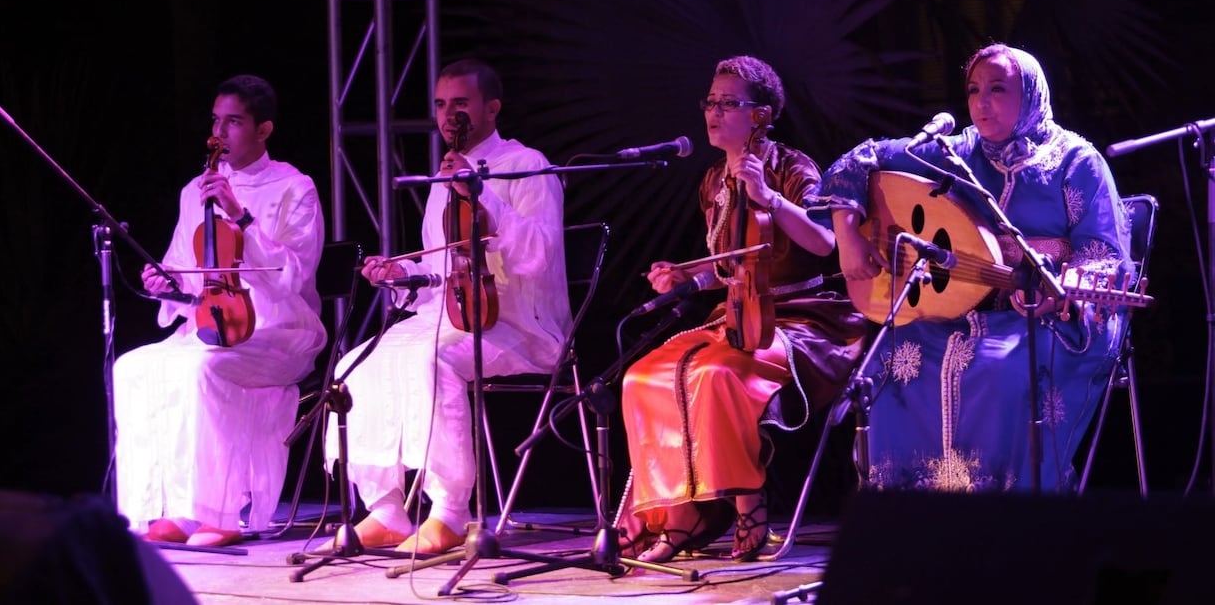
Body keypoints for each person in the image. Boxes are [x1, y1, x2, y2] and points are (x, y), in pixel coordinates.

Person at [813, 43, 1133, 492]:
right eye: (974, 90)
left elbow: (1102, 253)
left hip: (1045, 319)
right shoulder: (952, 149)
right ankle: (910, 523)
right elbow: (859, 160)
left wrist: (1057, 289)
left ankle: (1005, 523)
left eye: (998, 89)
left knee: (1001, 371)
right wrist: (847, 238)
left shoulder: (1077, 162)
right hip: (954, 308)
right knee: (892, 363)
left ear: (1030, 94)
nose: (982, 102)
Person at [616, 55, 869, 564]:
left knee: (714, 372)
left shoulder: (792, 168)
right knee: (641, 378)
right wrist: (690, 275)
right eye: (711, 102)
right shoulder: (711, 180)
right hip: (739, 314)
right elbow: (731, 266)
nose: (713, 111)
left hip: (803, 320)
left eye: (729, 103)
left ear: (762, 114)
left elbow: (824, 244)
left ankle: (747, 503)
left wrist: (770, 197)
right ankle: (682, 517)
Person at [321, 58, 570, 555]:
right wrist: (402, 276)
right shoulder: (442, 181)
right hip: (452, 315)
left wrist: (483, 201)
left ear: (492, 108)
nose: (448, 113)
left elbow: (541, 255)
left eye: (461, 103)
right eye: (440, 104)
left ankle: (450, 513)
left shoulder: (527, 164)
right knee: (355, 363)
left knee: (431, 358)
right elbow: (443, 276)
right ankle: (386, 509)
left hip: (518, 322)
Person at [113, 74, 326, 547]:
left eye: (233, 121)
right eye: (216, 120)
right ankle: (169, 510)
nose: (219, 132)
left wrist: (242, 218)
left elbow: (294, 275)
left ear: (263, 130)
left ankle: (221, 513)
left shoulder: (295, 188)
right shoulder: (196, 190)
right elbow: (184, 272)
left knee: (203, 370)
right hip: (211, 325)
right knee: (133, 368)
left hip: (280, 331)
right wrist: (165, 285)